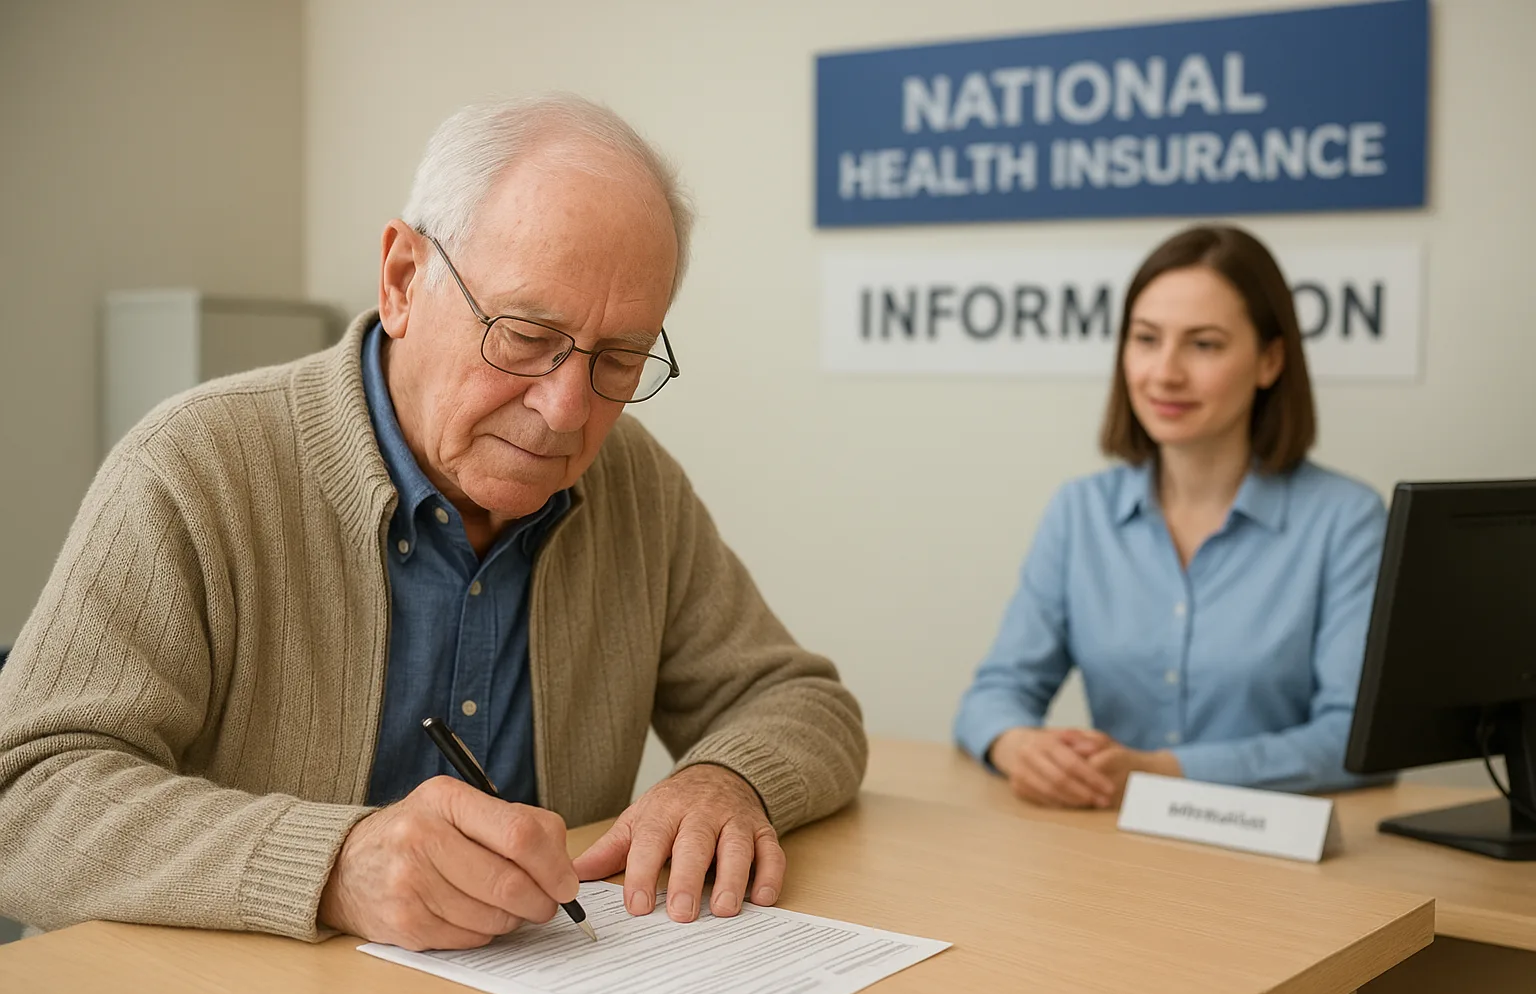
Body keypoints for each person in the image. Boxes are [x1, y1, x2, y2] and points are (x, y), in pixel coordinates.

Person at [0, 95, 866, 950]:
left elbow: (800, 701)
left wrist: (724, 779)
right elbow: (27, 799)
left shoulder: (632, 481)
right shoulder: (196, 467)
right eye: (526, 335)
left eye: (620, 358)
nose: (567, 410)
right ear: (404, 280)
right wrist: (335, 865)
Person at [953, 224, 1386, 809]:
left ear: (1270, 360)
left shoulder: (1347, 520)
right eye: (1146, 339)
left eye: (1203, 344)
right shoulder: (1080, 512)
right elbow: (993, 695)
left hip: (1285, 863)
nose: (1164, 373)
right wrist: (1018, 745)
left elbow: (1352, 743)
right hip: (1113, 845)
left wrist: (1162, 771)